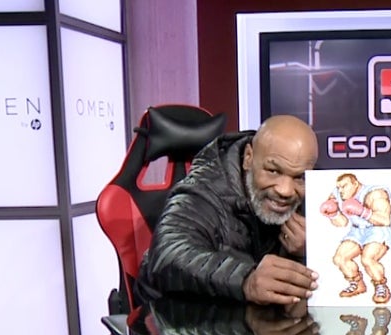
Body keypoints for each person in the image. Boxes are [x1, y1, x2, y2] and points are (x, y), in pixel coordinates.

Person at [137, 115, 320, 306]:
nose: (286, 190)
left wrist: (313, 251)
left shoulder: (315, 192)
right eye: (273, 171)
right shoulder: (203, 190)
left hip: (254, 318)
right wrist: (246, 278)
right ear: (248, 157)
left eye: (299, 177)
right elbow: (168, 254)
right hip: (175, 315)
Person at [318, 173, 391, 304]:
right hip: (357, 230)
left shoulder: (375, 194)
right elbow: (342, 223)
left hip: (377, 229)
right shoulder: (337, 194)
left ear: (355, 184)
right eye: (339, 187)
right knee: (339, 258)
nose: (341, 190)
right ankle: (357, 284)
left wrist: (362, 211)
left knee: (367, 259)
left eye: (344, 186)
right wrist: (333, 214)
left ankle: (381, 286)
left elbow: (385, 220)